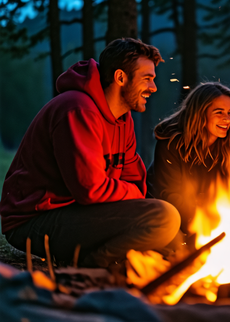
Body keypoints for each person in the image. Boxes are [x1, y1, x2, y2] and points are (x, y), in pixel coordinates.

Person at [0, 38, 181, 268]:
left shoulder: (123, 119)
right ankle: (93, 266)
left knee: (173, 238)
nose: (153, 88)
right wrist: (132, 196)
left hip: (79, 210)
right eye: (147, 79)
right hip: (33, 219)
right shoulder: (77, 109)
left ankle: (120, 263)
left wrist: (131, 196)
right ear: (120, 78)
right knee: (163, 218)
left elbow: (134, 179)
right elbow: (90, 189)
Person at [147, 82, 230, 238]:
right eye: (219, 112)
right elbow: (170, 196)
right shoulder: (171, 144)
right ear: (200, 113)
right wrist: (205, 222)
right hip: (169, 219)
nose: (227, 119)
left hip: (216, 220)